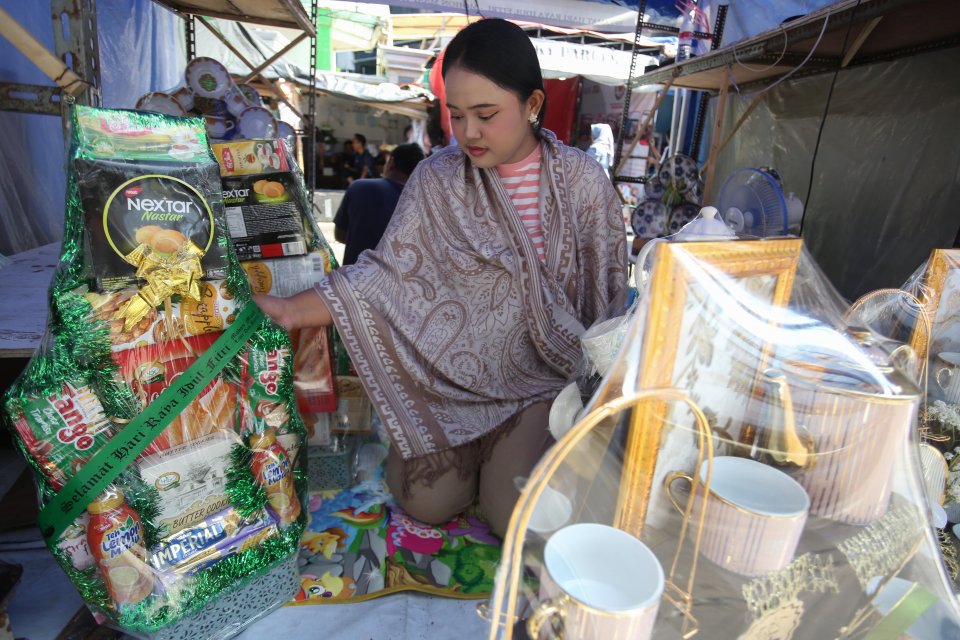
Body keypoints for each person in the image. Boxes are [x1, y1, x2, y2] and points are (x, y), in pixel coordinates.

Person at [255, 18, 627, 537]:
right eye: (456, 115)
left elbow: (607, 290)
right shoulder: (436, 178)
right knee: (428, 503)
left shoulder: (583, 183)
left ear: (534, 105)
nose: (468, 132)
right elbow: (388, 277)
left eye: (486, 114)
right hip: (449, 380)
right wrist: (292, 310)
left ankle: (497, 457)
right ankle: (464, 451)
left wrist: (600, 392)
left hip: (541, 379)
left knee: (514, 514)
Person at [333, 142, 425, 266]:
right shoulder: (425, 202)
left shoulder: (358, 187)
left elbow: (340, 235)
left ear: (391, 163)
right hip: (401, 281)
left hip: (355, 280)